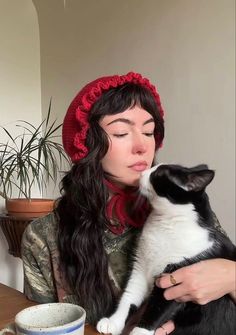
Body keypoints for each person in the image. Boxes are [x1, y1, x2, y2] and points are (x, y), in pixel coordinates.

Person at [21, 71, 235, 335]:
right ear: (88, 144)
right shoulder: (44, 236)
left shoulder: (182, 211)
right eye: (122, 132)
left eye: (149, 131)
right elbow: (37, 326)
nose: (142, 146)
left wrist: (232, 278)